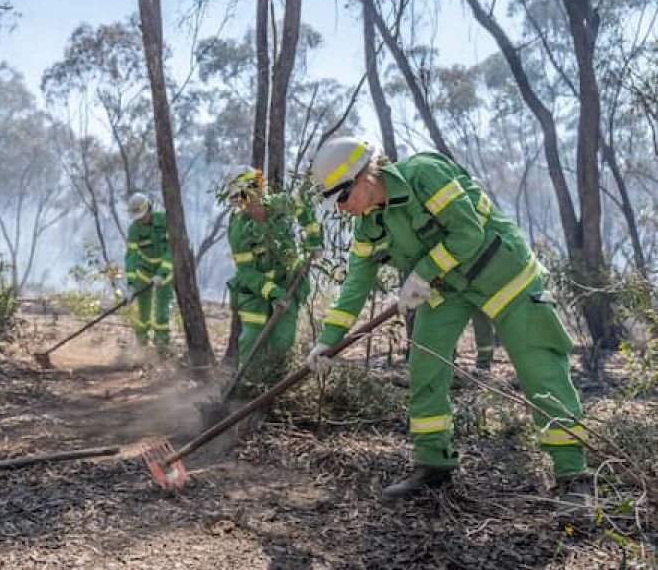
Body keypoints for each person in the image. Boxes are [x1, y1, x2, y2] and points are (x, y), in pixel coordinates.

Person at [305, 136, 587, 501]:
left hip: (505, 276)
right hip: (448, 288)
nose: (340, 208)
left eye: (341, 197)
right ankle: (433, 467)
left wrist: (420, 275)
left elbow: (468, 232)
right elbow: (356, 283)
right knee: (425, 364)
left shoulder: (425, 174)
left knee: (540, 369)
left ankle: (573, 475)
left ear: (364, 177)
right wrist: (329, 339)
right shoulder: (369, 225)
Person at [225, 167, 322, 397]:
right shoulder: (239, 229)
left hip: (290, 284)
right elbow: (246, 272)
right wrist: (273, 292)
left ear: (258, 189)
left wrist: (314, 240)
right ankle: (248, 390)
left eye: (245, 195)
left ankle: (275, 390)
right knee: (251, 339)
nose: (243, 203)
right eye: (238, 199)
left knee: (282, 340)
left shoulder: (281, 204)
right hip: (255, 293)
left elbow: (304, 209)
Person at [123, 193, 173, 354]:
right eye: (137, 217)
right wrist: (131, 285)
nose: (140, 220)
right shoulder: (134, 229)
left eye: (142, 216)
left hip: (164, 275)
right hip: (144, 273)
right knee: (143, 313)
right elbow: (131, 256)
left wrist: (162, 272)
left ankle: (161, 347)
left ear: (149, 209)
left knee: (162, 313)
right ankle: (141, 346)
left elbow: (171, 249)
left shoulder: (165, 220)